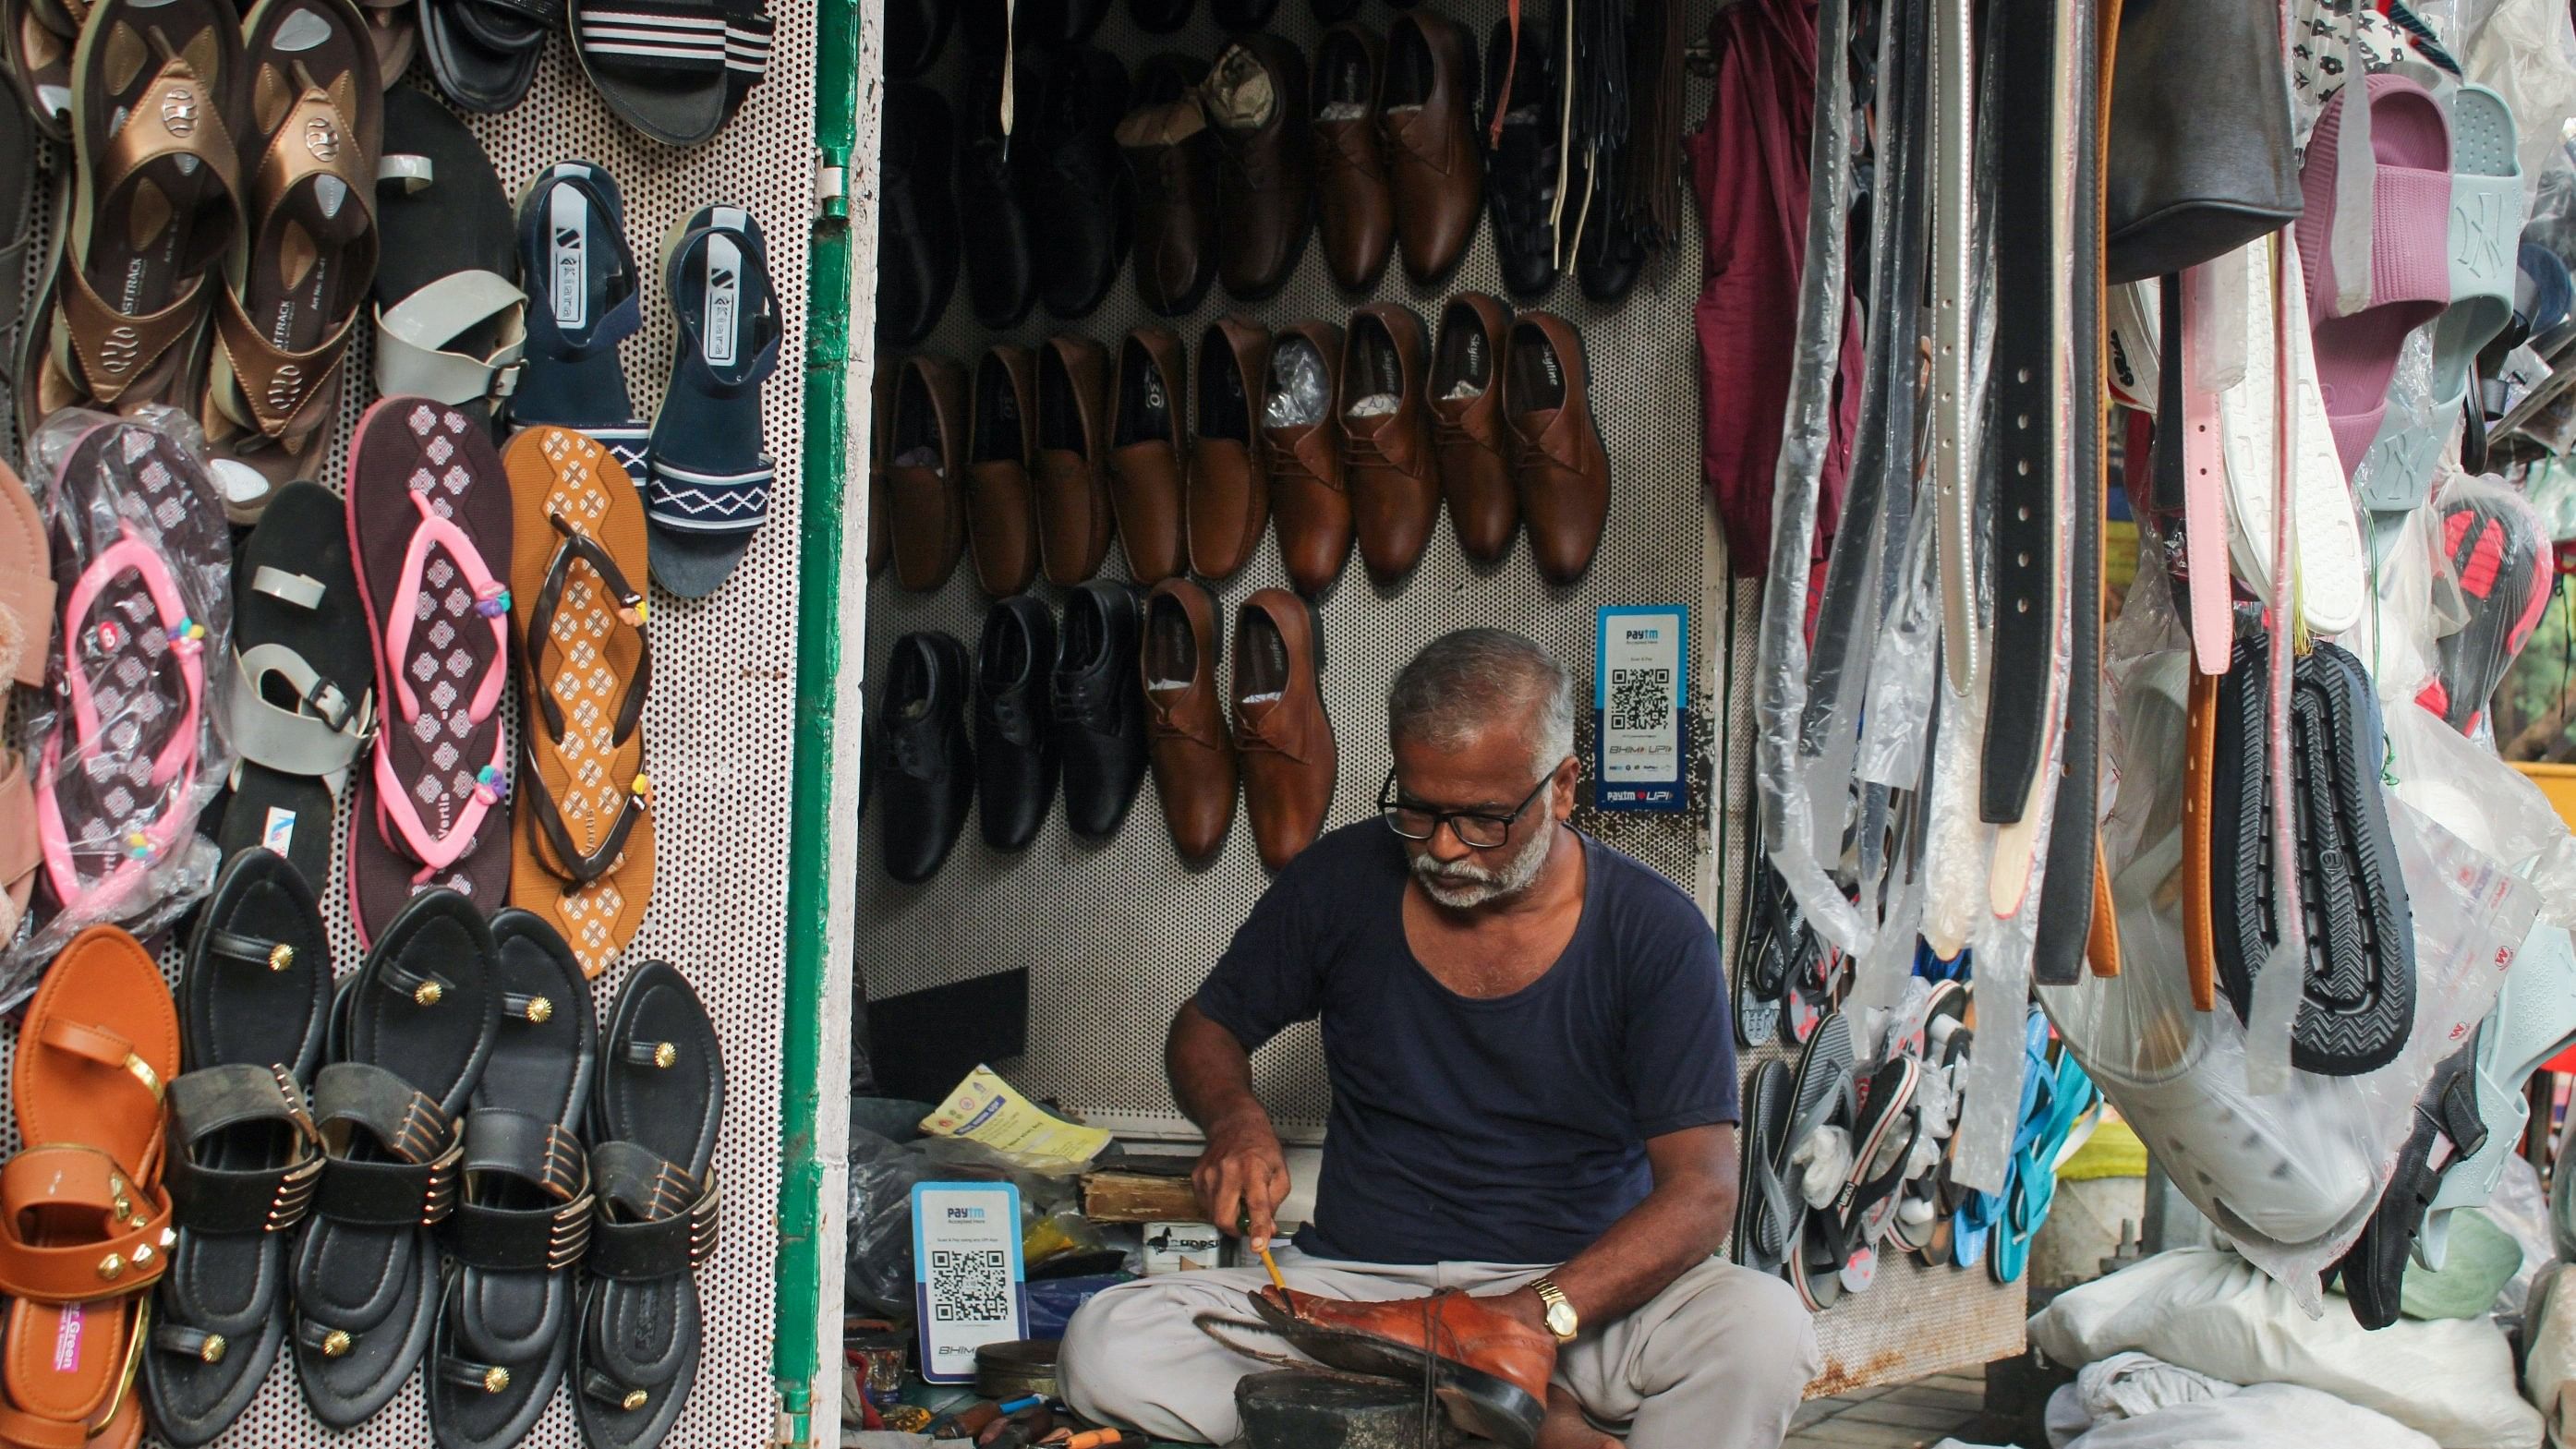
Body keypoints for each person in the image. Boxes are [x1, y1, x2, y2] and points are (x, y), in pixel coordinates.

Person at [1060, 628, 1820, 1449]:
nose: (1446, 847)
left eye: (1484, 819)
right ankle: (1511, 1426)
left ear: (1562, 787)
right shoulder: (1340, 881)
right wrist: (1235, 1120)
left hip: (1578, 1300)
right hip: (1366, 1299)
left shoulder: (1655, 931)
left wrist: (1528, 1321)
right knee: (1105, 1343)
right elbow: (1206, 1027)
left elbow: (1703, 1193)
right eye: (1419, 810)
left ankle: (1453, 1411)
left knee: (1762, 1330)